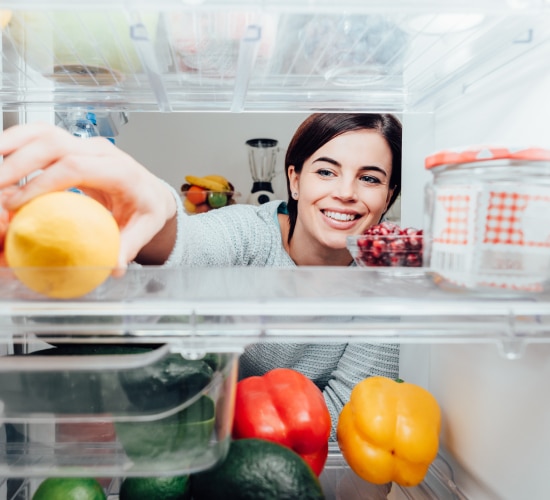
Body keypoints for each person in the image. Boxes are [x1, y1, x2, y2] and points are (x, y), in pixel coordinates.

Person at [0, 113, 402, 437]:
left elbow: (353, 415)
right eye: (326, 172)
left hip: (265, 448)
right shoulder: (251, 231)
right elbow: (189, 244)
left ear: (389, 196)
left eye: (370, 178)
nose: (346, 192)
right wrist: (158, 206)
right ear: (295, 180)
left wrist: (224, 422)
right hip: (195, 437)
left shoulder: (385, 280)